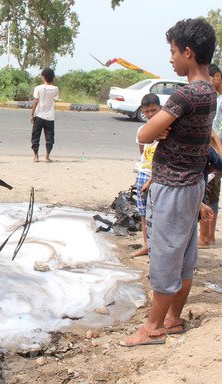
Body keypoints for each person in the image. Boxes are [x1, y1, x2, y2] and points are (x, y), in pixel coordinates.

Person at [121, 18, 217, 347]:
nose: (171, 58)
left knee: (164, 256)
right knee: (185, 255)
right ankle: (174, 319)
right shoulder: (210, 92)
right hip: (191, 185)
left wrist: (158, 131)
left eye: (173, 51)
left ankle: (153, 327)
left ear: (188, 53)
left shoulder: (186, 95)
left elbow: (144, 133)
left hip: (174, 189)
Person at [131, 93, 161, 257]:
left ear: (160, 108)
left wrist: (153, 177)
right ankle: (146, 245)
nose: (150, 114)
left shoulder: (166, 129)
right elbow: (142, 151)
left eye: (154, 110)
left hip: (158, 177)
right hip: (143, 173)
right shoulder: (142, 130)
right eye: (147, 111)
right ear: (143, 111)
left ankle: (158, 247)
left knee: (158, 213)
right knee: (143, 212)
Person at [199, 64, 222, 247]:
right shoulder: (215, 98)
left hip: (215, 152)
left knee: (209, 194)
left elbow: (215, 134)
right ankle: (208, 237)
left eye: (209, 79)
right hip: (212, 151)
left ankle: (206, 238)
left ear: (218, 77)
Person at [30, 68, 59, 163]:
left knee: (35, 136)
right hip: (50, 117)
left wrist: (32, 114)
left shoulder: (38, 88)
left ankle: (36, 156)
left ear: (44, 76)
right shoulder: (55, 89)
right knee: (49, 138)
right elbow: (55, 99)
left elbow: (36, 101)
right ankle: (47, 157)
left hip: (38, 116)